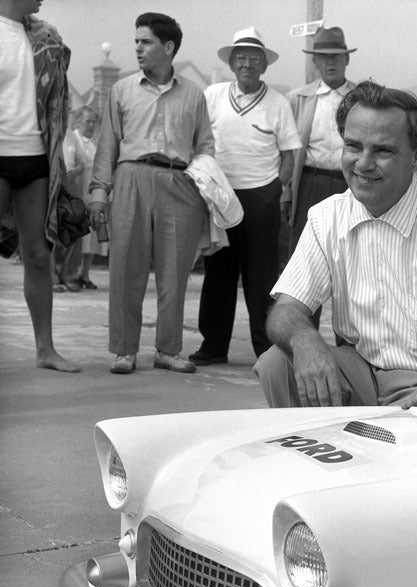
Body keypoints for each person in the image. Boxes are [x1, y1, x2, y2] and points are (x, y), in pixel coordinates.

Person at [254, 80, 417, 410]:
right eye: (353, 146)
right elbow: (285, 310)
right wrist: (305, 339)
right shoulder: (327, 217)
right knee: (277, 363)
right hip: (363, 372)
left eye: (382, 150)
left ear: (416, 157)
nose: (363, 163)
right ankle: (316, 456)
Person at [88, 12, 213, 375]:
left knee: (174, 274)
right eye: (137, 42)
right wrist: (99, 191)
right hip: (131, 180)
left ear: (168, 47)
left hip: (179, 184)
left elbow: (205, 146)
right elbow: (107, 145)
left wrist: (205, 191)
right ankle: (124, 350)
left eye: (146, 42)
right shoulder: (123, 89)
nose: (138, 48)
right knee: (126, 268)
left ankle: (168, 350)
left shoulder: (193, 95)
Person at [188, 27, 301, 366]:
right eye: (241, 58)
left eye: (254, 58)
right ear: (232, 63)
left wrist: (275, 191)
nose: (247, 64)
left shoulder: (278, 103)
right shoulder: (213, 95)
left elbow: (290, 156)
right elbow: (196, 138)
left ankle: (266, 349)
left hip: (261, 196)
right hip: (220, 196)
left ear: (264, 66)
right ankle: (213, 345)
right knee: (218, 272)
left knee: (261, 276)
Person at [0, 0, 79, 372]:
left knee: (37, 255)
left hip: (35, 154)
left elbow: (57, 101)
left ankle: (45, 349)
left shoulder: (45, 37)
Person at [286, 26, 357, 252]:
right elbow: (287, 152)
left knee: (348, 251)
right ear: (315, 62)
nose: (330, 63)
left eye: (335, 57)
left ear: (346, 59)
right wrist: (287, 193)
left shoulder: (363, 97)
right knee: (306, 251)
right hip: (309, 184)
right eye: (323, 58)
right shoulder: (297, 99)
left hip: (351, 186)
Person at [56, 105, 103, 292]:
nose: (91, 125)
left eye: (94, 121)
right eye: (87, 121)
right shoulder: (72, 139)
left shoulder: (95, 143)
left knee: (93, 237)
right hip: (76, 195)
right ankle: (67, 273)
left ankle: (84, 273)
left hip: (92, 196)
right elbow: (70, 166)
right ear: (77, 121)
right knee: (75, 236)